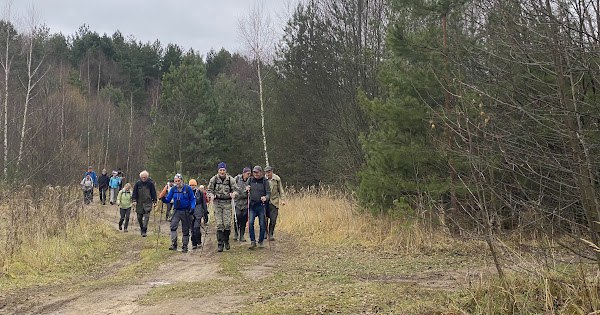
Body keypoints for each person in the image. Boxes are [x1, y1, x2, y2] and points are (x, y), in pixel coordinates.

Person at [207, 162, 237, 252]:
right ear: (218, 170)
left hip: (227, 203)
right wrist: (211, 195)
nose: (222, 172)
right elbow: (209, 190)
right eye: (220, 170)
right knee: (219, 224)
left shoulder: (230, 179)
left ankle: (226, 240)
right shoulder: (214, 179)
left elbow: (236, 189)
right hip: (217, 203)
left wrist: (234, 194)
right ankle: (220, 244)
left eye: (223, 170)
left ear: (226, 171)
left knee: (227, 224)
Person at [162, 174, 195, 253]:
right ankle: (174, 244)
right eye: (175, 181)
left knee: (185, 229)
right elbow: (168, 199)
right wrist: (163, 199)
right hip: (176, 210)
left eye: (178, 181)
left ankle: (185, 246)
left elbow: (192, 199)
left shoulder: (188, 188)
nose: (177, 183)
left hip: (186, 211)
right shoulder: (173, 189)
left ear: (182, 180)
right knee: (173, 226)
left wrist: (192, 207)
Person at [245, 165, 270, 249]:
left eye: (257, 172)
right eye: (254, 172)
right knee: (251, 223)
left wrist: (265, 198)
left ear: (261, 172)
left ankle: (261, 241)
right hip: (252, 205)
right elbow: (245, 190)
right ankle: (253, 241)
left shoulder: (264, 181)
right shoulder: (250, 179)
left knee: (262, 224)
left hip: (261, 205)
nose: (255, 174)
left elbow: (268, 193)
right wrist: (247, 188)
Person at [132, 170, 157, 237]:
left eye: (145, 177)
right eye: (142, 177)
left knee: (147, 217)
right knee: (139, 217)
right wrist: (134, 200)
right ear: (140, 177)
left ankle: (144, 230)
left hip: (148, 203)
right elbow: (134, 192)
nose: (143, 179)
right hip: (139, 203)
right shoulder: (138, 183)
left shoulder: (150, 184)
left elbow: (153, 193)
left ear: (147, 177)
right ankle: (141, 227)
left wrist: (154, 201)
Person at [265, 166, 286, 241]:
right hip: (265, 201)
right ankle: (265, 233)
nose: (267, 174)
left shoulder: (277, 179)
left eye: (269, 172)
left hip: (274, 201)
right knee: (265, 218)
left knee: (273, 219)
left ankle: (271, 234)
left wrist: (283, 199)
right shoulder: (263, 179)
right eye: (266, 172)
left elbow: (281, 190)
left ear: (272, 171)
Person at [233, 167, 251, 242]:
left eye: (250, 174)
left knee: (244, 219)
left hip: (245, 203)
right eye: (248, 173)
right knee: (237, 217)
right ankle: (236, 233)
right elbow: (232, 187)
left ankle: (242, 235)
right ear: (244, 173)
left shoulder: (250, 180)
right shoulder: (237, 179)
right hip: (237, 202)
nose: (249, 175)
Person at [189, 179, 208, 249]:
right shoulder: (187, 192)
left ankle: (199, 242)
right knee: (192, 230)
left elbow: (204, 203)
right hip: (190, 213)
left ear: (196, 185)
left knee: (196, 228)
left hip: (198, 212)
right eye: (190, 185)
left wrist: (205, 213)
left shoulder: (200, 192)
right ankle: (194, 244)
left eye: (193, 185)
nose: (192, 186)